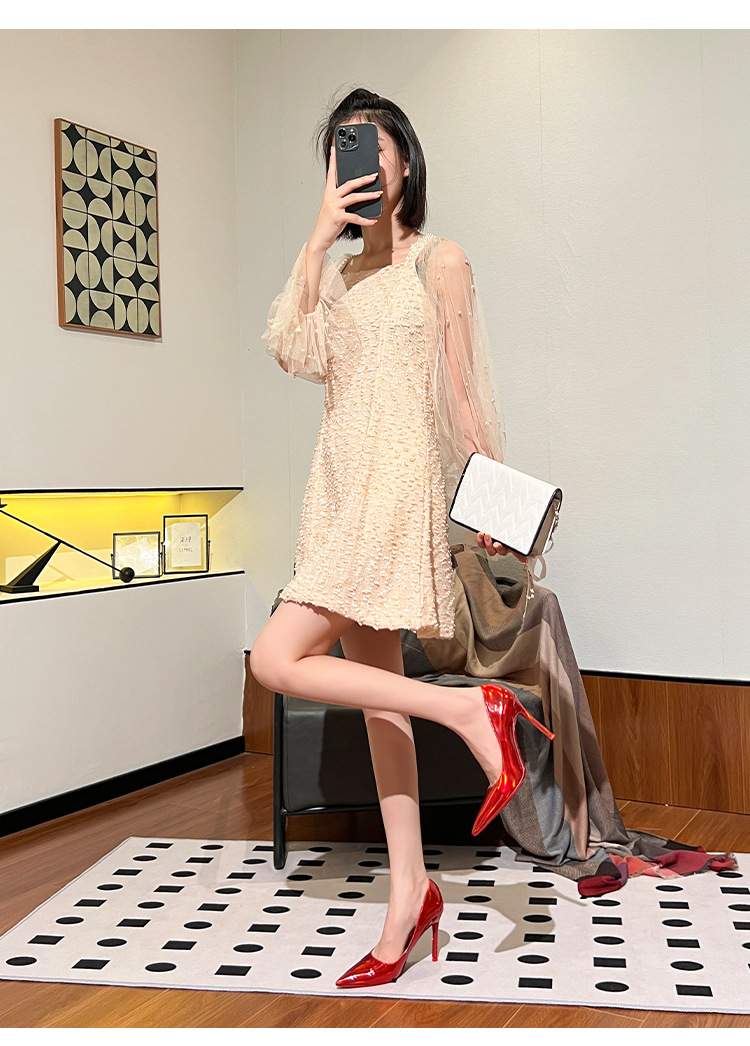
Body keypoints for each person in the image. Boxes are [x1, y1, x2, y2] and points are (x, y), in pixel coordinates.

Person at [250, 88, 554, 989]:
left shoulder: (439, 260)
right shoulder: (339, 275)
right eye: (341, 154)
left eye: (371, 149)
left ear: (405, 162)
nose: (357, 167)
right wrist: (315, 243)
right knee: (383, 711)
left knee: (275, 659)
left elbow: (464, 394)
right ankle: (411, 897)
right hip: (338, 491)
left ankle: (467, 711)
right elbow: (293, 352)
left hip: (395, 491)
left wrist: (495, 503)